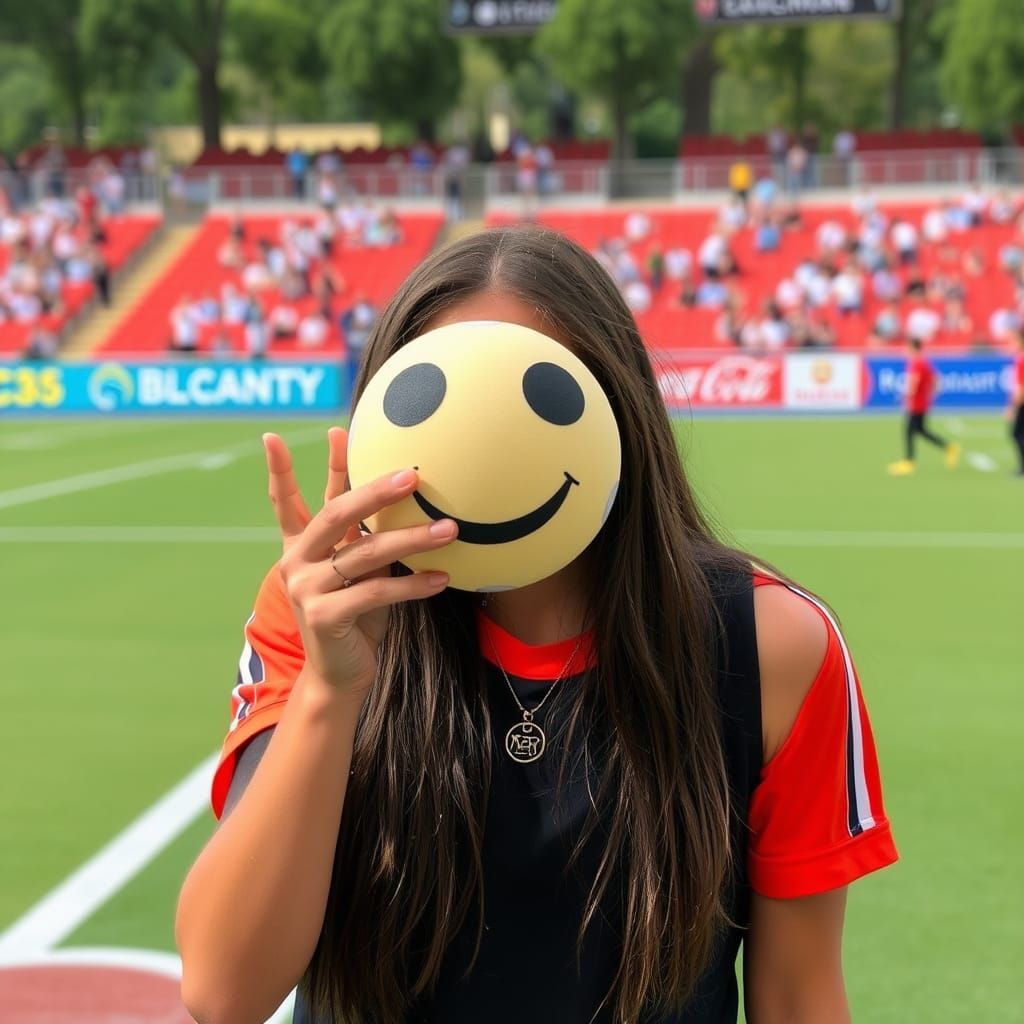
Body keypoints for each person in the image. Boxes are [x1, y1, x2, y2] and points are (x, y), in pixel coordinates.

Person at [177, 226, 898, 1024]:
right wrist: (329, 691)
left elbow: (798, 995)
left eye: (532, 403)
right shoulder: (320, 615)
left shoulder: (771, 647)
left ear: (620, 409)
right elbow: (224, 992)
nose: (486, 454)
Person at [888, 337, 962, 476]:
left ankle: (908, 461)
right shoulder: (924, 363)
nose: (904, 350)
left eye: (906, 347)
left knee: (909, 431)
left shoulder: (916, 364)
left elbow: (913, 385)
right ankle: (949, 447)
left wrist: (904, 397)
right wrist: (932, 394)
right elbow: (936, 379)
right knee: (921, 431)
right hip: (922, 402)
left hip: (916, 404)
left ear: (912, 347)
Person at [1008, 330, 1024, 477]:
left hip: (1022, 403)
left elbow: (1021, 387)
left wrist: (1013, 407)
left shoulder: (1021, 360)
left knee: (1016, 433)